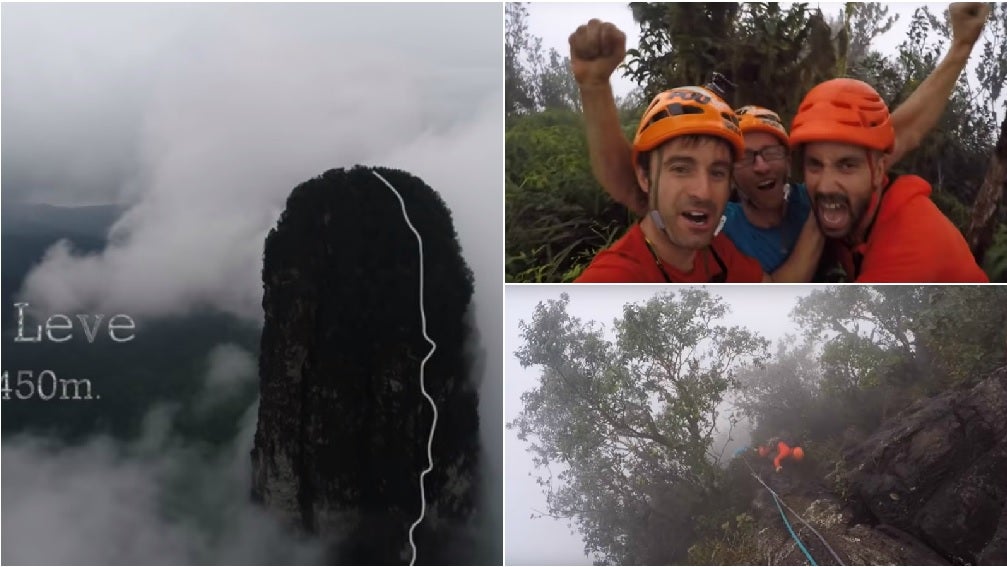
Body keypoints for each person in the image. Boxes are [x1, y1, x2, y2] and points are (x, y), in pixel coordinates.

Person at [568, 3, 991, 279]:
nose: (762, 166)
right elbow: (639, 188)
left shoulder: (816, 198)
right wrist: (594, 87)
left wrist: (961, 46)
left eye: (771, 152)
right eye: (747, 158)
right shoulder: (720, 232)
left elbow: (889, 137)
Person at [574, 85, 823, 282]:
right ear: (644, 177)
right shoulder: (614, 279)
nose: (703, 192)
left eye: (717, 172)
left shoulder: (718, 253)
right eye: (681, 169)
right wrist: (594, 85)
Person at [790, 77, 989, 282]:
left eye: (847, 166)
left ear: (877, 171)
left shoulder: (909, 245)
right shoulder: (861, 208)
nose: (825, 186)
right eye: (815, 164)